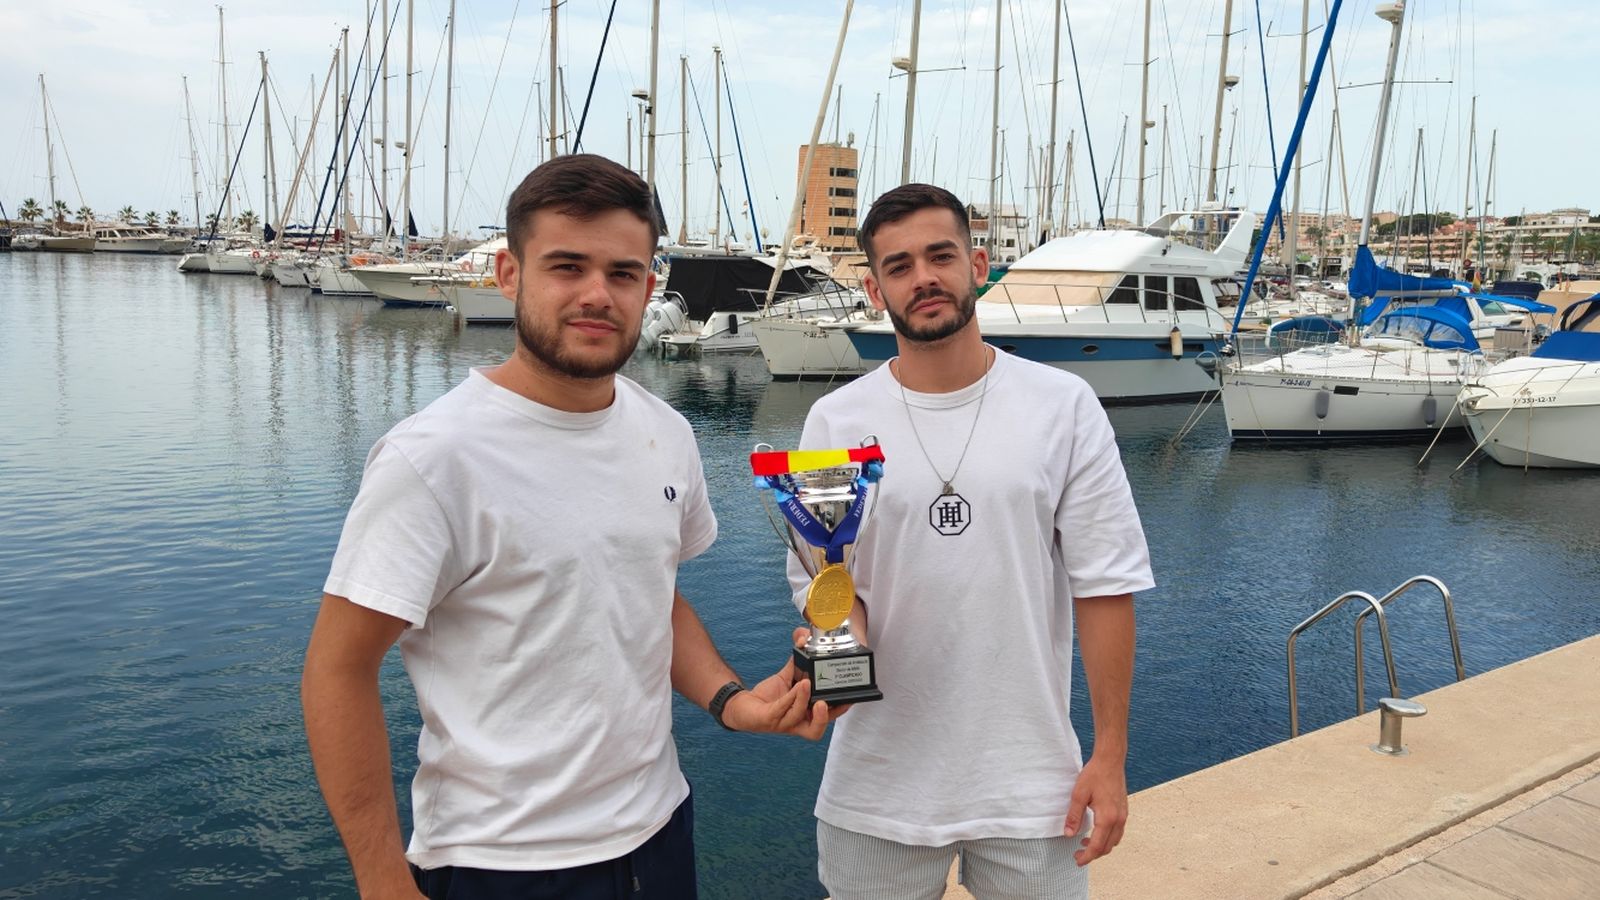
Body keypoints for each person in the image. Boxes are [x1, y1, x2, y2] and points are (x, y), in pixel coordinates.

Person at [302, 153, 835, 900]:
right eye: (566, 266)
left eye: (622, 273)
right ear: (509, 274)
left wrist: (732, 701)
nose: (597, 294)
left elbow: (651, 596)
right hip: (500, 864)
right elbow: (338, 669)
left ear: (649, 287)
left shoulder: (666, 432)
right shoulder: (432, 459)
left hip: (658, 832)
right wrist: (382, 880)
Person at [791, 183, 1154, 899]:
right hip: (877, 785)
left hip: (1033, 784)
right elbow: (825, 583)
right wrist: (837, 653)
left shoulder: (1063, 406)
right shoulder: (833, 422)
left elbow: (1106, 586)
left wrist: (1109, 756)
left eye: (941, 256)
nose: (923, 277)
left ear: (978, 265)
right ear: (875, 290)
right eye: (899, 266)